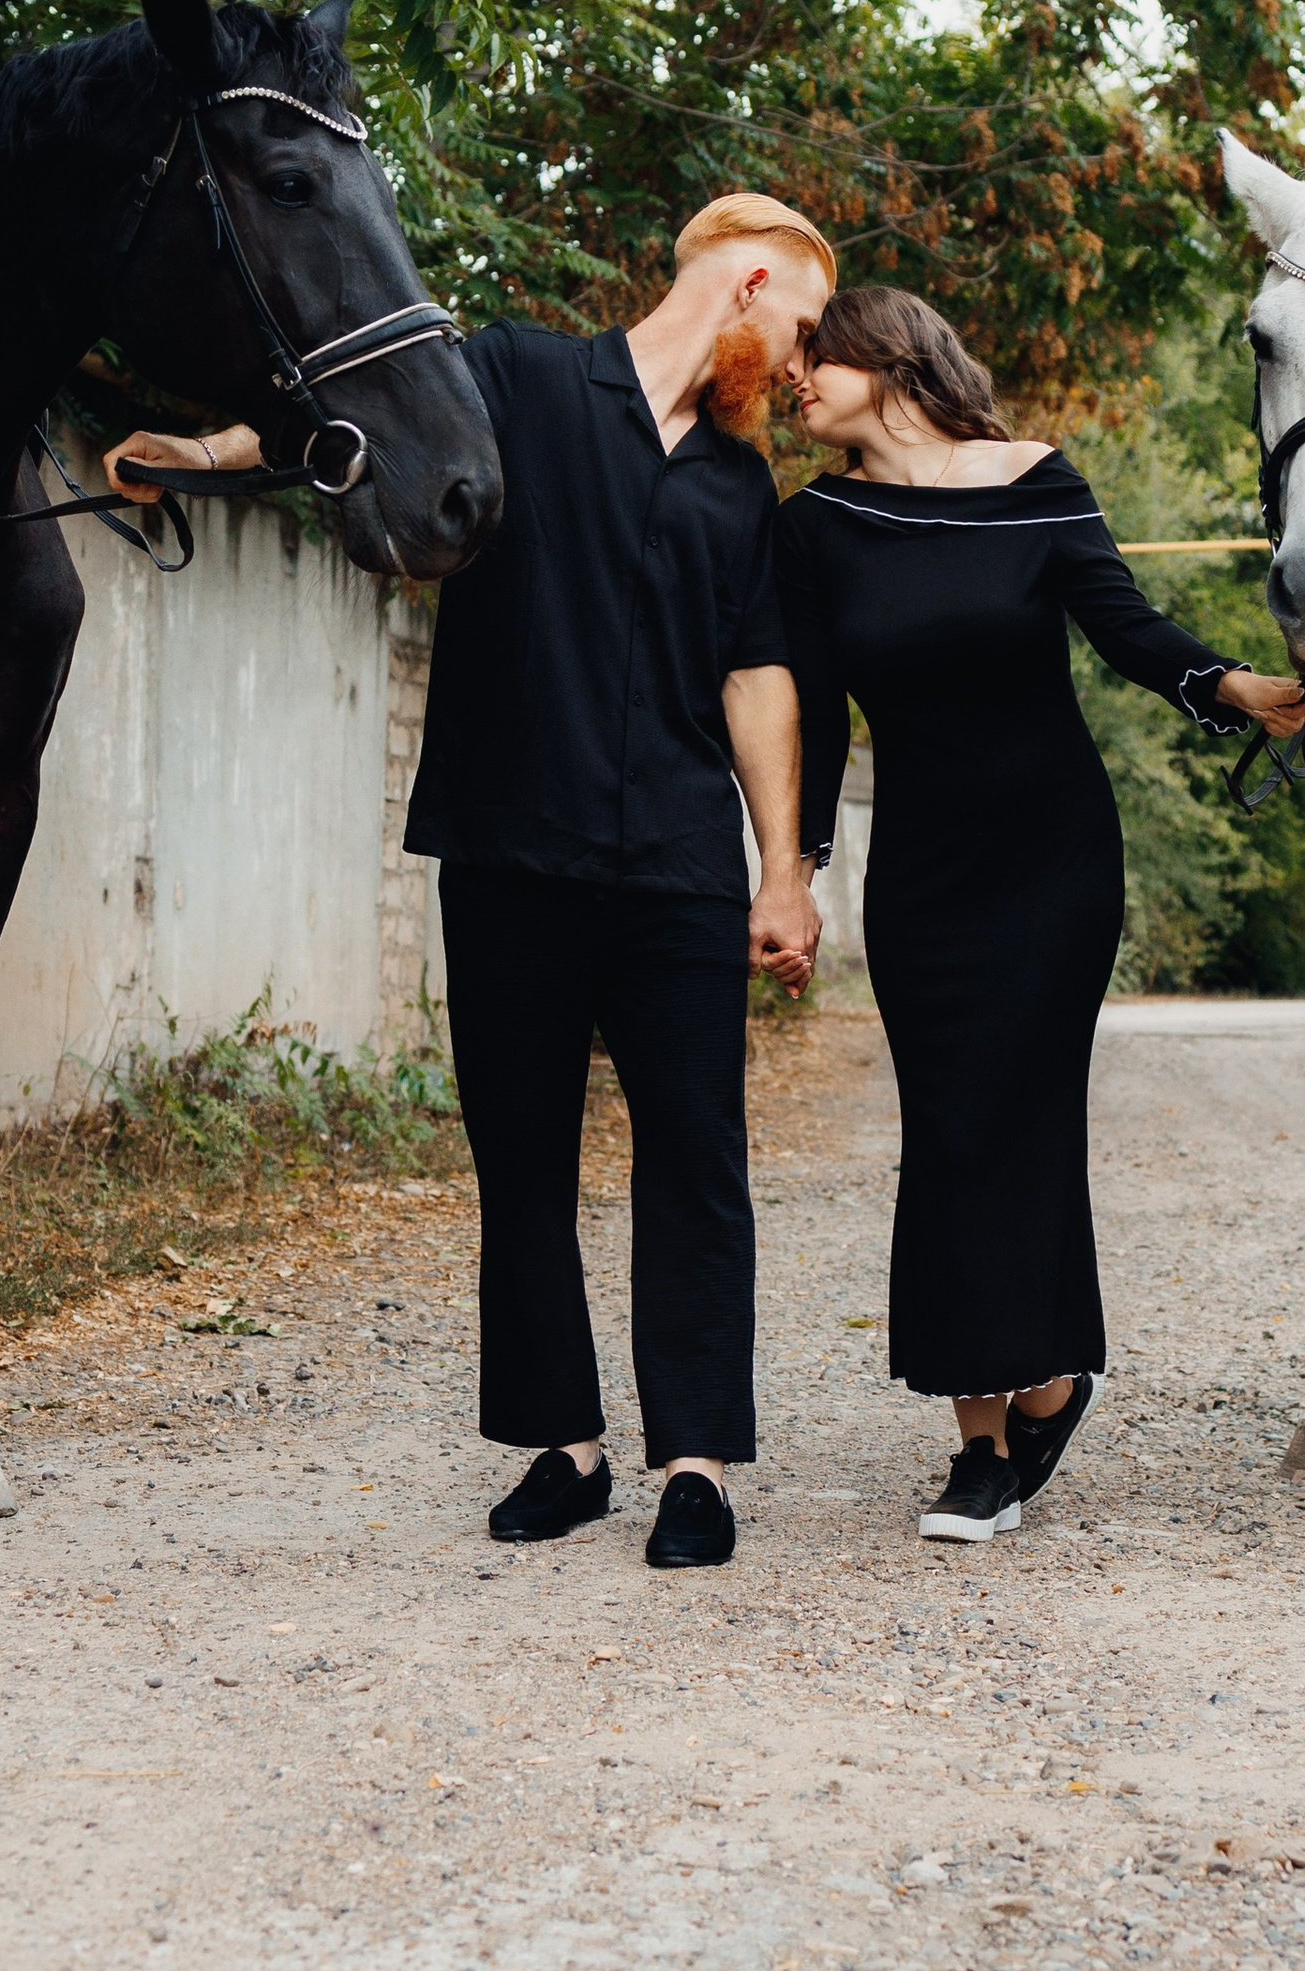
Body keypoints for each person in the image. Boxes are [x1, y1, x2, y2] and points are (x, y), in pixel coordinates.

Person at [109, 194, 829, 1570]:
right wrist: (204, 452)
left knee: (700, 1163)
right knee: (522, 1164)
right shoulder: (517, 376)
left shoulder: (742, 489)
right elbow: (357, 413)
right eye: (798, 328)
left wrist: (781, 870)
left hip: (676, 863)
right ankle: (566, 1450)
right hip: (512, 847)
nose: (800, 370)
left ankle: (696, 1464)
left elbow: (758, 679)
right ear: (747, 284)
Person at [776, 286, 1305, 1543]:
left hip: (1053, 859)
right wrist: (794, 866)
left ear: (886, 359)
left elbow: (1118, 623)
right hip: (920, 872)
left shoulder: (1035, 479)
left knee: (1020, 1122)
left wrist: (1230, 684)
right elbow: (804, 705)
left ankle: (1045, 1382)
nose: (795, 379)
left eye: (816, 357)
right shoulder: (812, 525)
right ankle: (984, 1425)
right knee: (951, 1132)